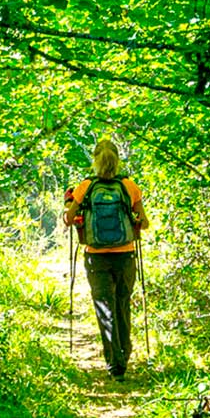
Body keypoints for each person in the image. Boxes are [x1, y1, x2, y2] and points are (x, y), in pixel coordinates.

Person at [64, 140, 149, 381]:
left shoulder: (86, 187)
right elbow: (145, 222)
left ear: (95, 159)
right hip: (125, 256)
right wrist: (133, 219)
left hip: (96, 257)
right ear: (117, 159)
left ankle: (115, 365)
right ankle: (125, 352)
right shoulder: (129, 186)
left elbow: (70, 219)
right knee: (122, 305)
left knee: (104, 307)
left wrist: (69, 206)